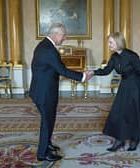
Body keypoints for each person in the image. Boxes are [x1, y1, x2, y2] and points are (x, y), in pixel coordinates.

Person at [29, 23, 93, 162]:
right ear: (56, 34)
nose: (65, 38)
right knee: (47, 122)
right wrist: (83, 76)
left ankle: (47, 145)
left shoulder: (44, 45)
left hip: (41, 90)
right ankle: (42, 153)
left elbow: (55, 69)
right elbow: (62, 70)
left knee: (49, 120)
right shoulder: (49, 50)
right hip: (44, 93)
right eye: (64, 35)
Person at [92, 32, 140, 152]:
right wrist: (93, 72)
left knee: (133, 113)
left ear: (118, 42)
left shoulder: (132, 56)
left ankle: (135, 139)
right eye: (109, 42)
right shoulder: (114, 57)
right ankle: (120, 140)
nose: (109, 44)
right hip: (124, 86)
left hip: (135, 87)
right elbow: (107, 70)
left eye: (111, 42)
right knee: (119, 112)